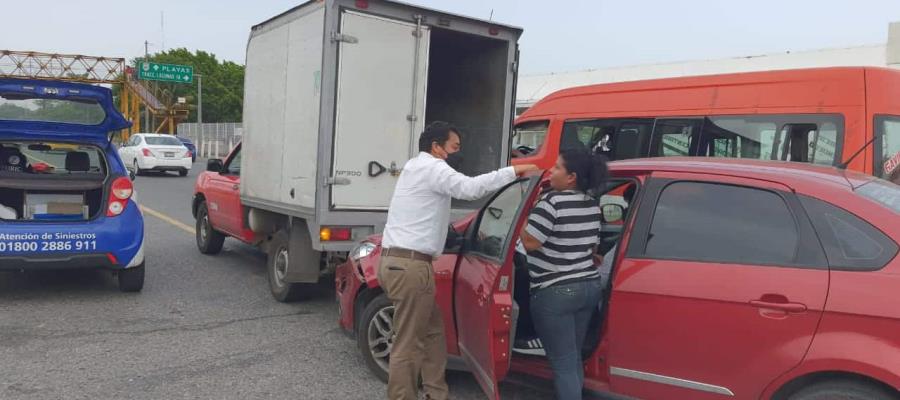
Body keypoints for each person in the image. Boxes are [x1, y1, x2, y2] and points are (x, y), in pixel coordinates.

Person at [378, 121, 539, 400]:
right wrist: (514, 170)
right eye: (452, 147)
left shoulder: (414, 167)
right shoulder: (432, 167)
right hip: (412, 267)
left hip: (397, 262)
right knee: (408, 343)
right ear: (436, 147)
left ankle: (436, 393)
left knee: (432, 333)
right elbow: (470, 189)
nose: (453, 154)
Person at [519, 148, 608, 400]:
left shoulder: (551, 203)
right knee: (573, 358)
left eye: (557, 167)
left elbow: (530, 243)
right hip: (589, 286)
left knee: (563, 364)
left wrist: (524, 210)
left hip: (555, 291)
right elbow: (592, 247)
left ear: (571, 177)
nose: (552, 171)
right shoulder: (592, 204)